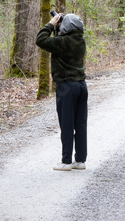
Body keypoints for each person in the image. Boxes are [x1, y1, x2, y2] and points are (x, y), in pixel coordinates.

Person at [36, 12, 88, 171]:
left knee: (66, 124)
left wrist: (51, 24)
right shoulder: (80, 41)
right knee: (80, 124)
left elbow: (40, 40)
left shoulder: (62, 42)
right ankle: (79, 160)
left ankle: (66, 161)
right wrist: (60, 27)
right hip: (81, 85)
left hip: (67, 86)